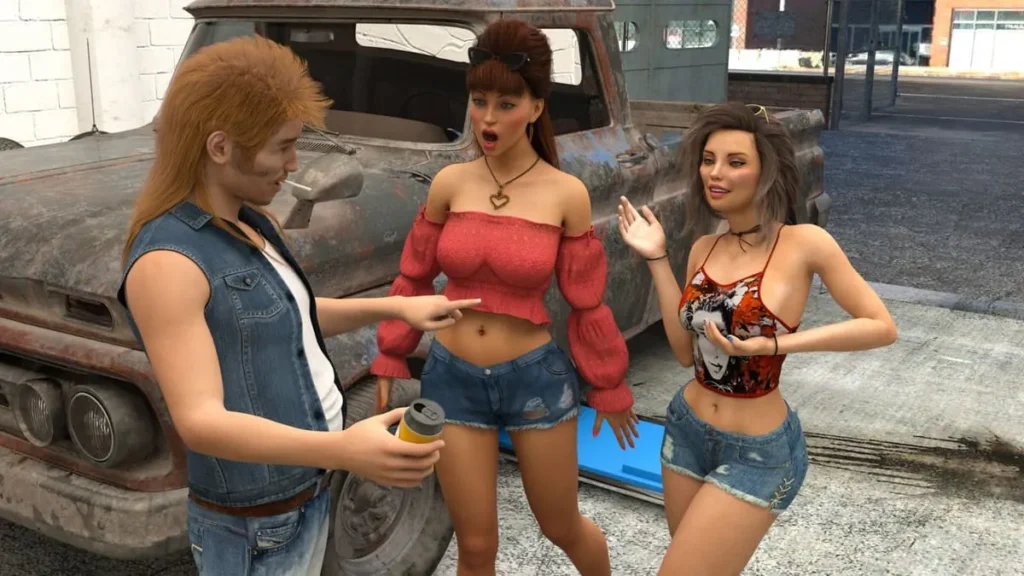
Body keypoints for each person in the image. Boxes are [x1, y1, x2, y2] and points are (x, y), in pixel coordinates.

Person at [117, 36, 480, 576]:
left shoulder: (246, 221)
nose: (292, 163)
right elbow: (201, 422)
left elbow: (287, 314)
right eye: (281, 146)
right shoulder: (169, 264)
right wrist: (344, 451)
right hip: (252, 527)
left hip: (300, 496)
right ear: (220, 147)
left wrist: (395, 310)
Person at [370, 18, 638, 576]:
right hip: (452, 377)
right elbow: (413, 279)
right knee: (474, 545)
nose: (488, 118)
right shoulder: (450, 183)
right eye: (479, 101)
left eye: (506, 104)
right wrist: (392, 352)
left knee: (561, 527)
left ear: (536, 108)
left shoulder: (566, 194)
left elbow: (587, 302)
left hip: (533, 379)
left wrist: (609, 385)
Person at [616, 102, 898, 575]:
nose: (715, 173)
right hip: (685, 430)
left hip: (759, 452)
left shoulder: (805, 243)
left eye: (735, 162)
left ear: (767, 171)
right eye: (708, 160)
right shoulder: (704, 247)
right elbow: (685, 353)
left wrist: (773, 345)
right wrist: (657, 259)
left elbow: (880, 325)